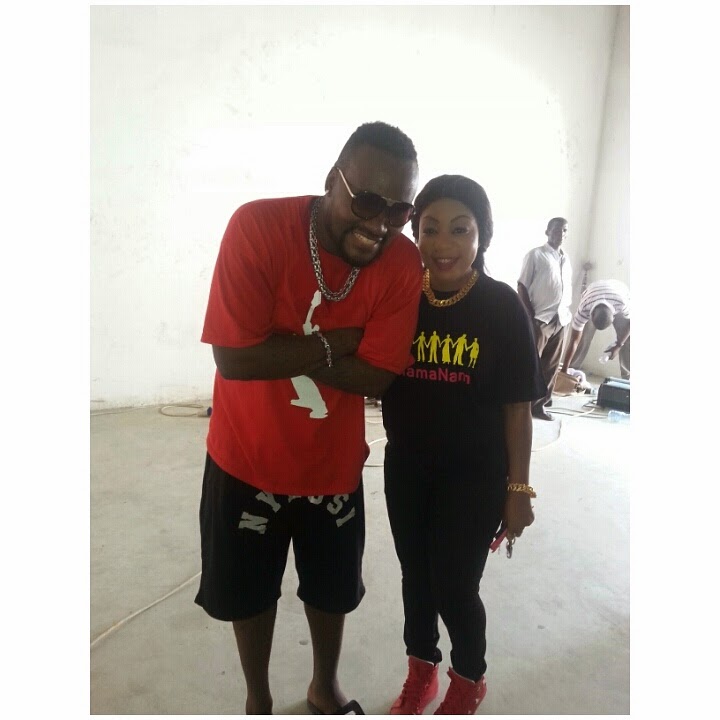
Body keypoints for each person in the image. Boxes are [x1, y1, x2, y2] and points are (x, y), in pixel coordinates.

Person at [195, 121, 424, 715]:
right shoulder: (258, 227)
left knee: (332, 590)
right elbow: (234, 359)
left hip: (333, 465)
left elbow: (376, 378)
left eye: (398, 211)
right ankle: (258, 699)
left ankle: (325, 687)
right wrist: (337, 341)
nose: (379, 224)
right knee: (248, 593)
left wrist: (282, 348)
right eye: (367, 201)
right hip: (244, 457)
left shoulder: (402, 263)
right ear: (332, 180)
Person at [381, 175, 545, 715]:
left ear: (481, 236)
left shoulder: (501, 306)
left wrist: (518, 489)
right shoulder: (402, 297)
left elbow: (518, 408)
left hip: (474, 476)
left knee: (454, 585)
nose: (442, 243)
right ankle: (421, 670)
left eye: (460, 229)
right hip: (407, 467)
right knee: (415, 578)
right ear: (415, 233)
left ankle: (469, 679)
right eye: (429, 229)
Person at [517, 217, 573, 420]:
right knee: (531, 365)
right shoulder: (536, 255)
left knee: (551, 366)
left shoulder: (565, 259)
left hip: (561, 319)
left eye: (564, 230)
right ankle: (520, 406)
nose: (561, 234)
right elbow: (522, 286)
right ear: (547, 231)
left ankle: (538, 406)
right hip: (540, 318)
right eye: (557, 230)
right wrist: (530, 317)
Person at [560, 279, 630, 380]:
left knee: (628, 339)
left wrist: (619, 345)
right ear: (591, 315)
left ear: (613, 315)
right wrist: (564, 370)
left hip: (618, 291)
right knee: (582, 339)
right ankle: (571, 370)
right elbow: (574, 340)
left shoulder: (622, 303)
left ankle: (628, 378)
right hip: (593, 294)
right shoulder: (584, 308)